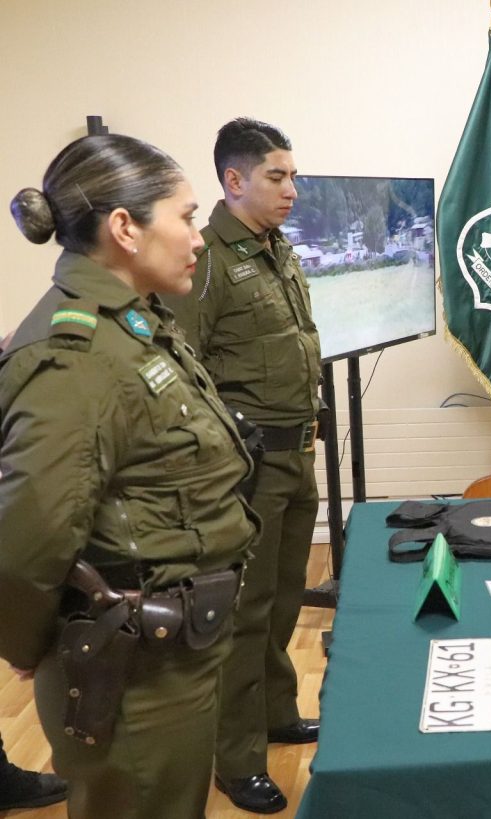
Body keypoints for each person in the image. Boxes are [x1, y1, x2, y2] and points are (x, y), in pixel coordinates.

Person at [0, 134, 259, 818]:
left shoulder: (134, 324)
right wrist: (31, 643)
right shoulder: (77, 355)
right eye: (186, 217)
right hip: (132, 673)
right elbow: (28, 540)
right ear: (124, 228)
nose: (198, 237)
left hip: (169, 656)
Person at [163, 117, 321, 814]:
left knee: (284, 600)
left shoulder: (275, 248)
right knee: (244, 615)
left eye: (292, 176)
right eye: (276, 177)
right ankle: (237, 758)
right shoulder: (209, 261)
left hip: (297, 455)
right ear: (234, 180)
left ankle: (277, 713)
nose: (292, 190)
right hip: (247, 469)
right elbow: (184, 369)